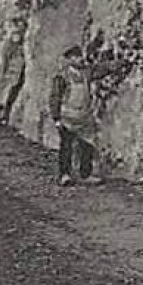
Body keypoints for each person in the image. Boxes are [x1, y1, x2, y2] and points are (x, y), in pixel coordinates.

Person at [49, 46, 103, 187]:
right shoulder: (62, 76)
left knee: (87, 146)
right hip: (67, 118)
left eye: (80, 56)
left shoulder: (86, 73)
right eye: (76, 57)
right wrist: (56, 118)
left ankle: (85, 174)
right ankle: (64, 175)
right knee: (66, 147)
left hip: (84, 117)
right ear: (70, 59)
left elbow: (102, 70)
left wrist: (124, 62)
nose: (80, 59)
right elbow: (55, 97)